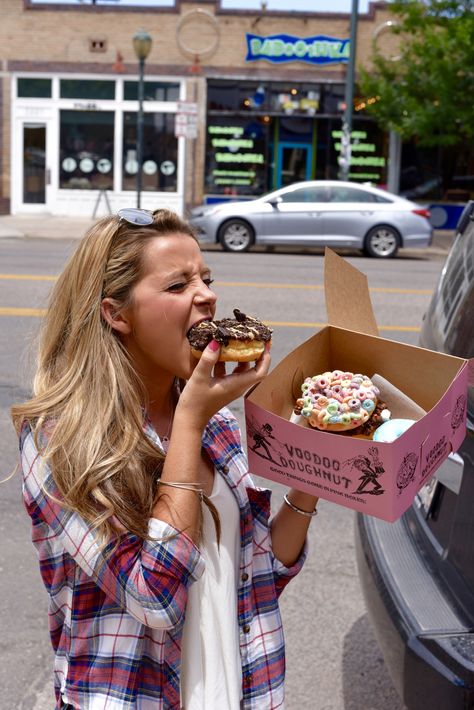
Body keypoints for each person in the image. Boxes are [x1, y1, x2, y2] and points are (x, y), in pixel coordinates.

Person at [12, 207, 319, 710]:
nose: (207, 295)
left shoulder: (214, 418)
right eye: (178, 286)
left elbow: (259, 572)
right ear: (117, 314)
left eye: (206, 278)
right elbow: (152, 597)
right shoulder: (58, 438)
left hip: (242, 690)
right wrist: (190, 422)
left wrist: (314, 469)